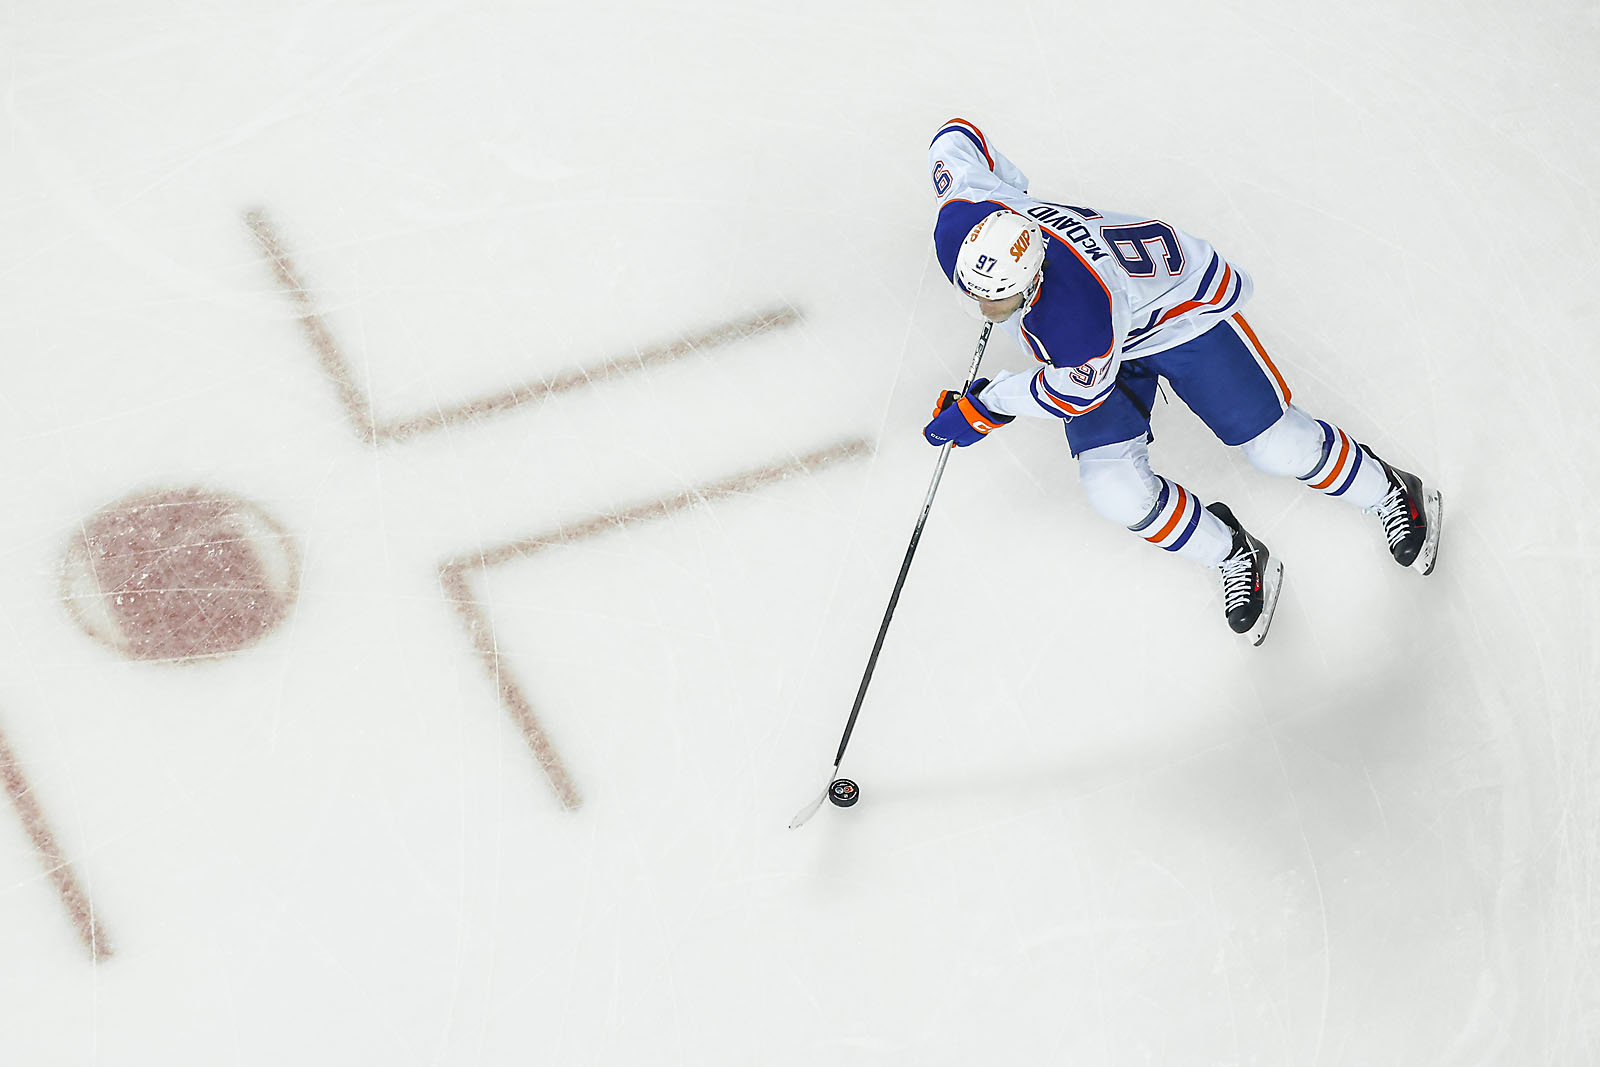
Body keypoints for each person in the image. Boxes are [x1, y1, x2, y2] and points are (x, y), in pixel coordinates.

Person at [921, 118, 1442, 643]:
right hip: (1108, 331)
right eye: (975, 293)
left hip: (1177, 317)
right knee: (1116, 491)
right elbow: (955, 136)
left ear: (1034, 278)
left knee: (1279, 447)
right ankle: (1234, 552)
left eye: (1000, 299)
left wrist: (986, 405)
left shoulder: (1078, 315)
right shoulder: (962, 220)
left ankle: (1388, 488)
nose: (985, 307)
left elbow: (1071, 394)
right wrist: (1011, 186)